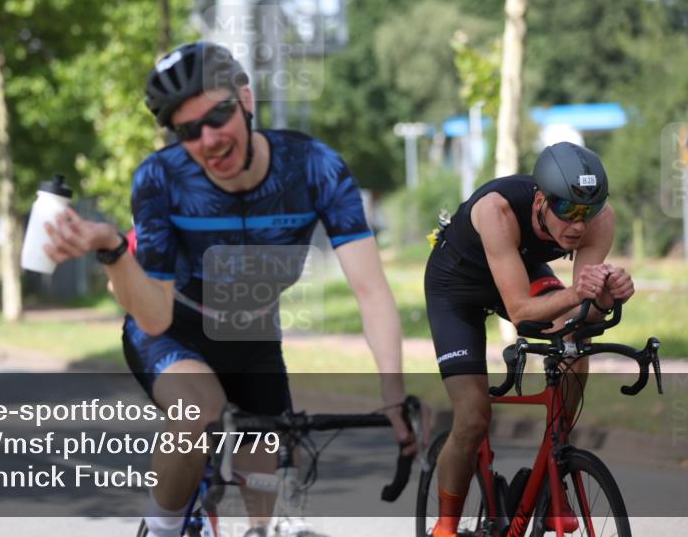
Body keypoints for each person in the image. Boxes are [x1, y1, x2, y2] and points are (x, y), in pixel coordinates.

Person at [42, 41, 423, 537]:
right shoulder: (160, 178)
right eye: (188, 130)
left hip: (253, 337)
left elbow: (371, 291)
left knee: (265, 509)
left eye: (218, 116)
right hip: (174, 329)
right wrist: (115, 249)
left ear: (246, 100)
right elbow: (153, 315)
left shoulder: (314, 167)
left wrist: (392, 393)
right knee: (197, 408)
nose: (208, 139)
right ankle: (160, 529)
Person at [423, 142, 635, 537]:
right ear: (541, 199)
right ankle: (446, 527)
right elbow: (520, 311)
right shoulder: (497, 210)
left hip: (518, 268)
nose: (577, 225)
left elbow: (579, 313)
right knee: (472, 416)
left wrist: (604, 299)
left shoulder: (601, 220)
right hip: (457, 287)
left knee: (574, 342)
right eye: (567, 210)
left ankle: (557, 459)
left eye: (587, 211)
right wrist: (578, 294)